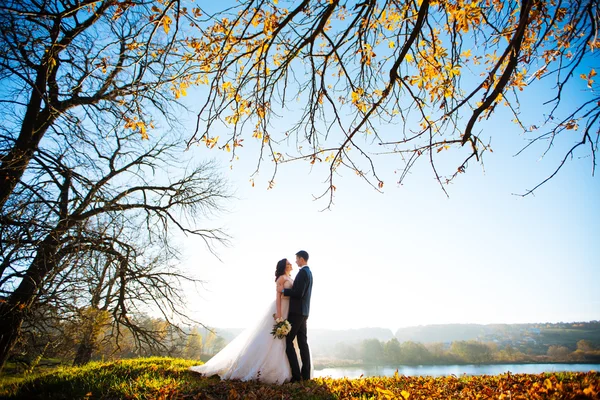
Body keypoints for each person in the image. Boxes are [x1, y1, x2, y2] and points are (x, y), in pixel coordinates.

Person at [189, 258, 303, 384]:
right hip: (282, 307)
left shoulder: (291, 278)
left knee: (285, 340)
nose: (291, 264)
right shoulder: (281, 278)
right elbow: (278, 297)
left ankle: (291, 371)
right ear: (283, 266)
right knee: (274, 339)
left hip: (290, 310)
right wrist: (280, 316)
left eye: (290, 263)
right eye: (288, 264)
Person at [282, 250, 313, 382]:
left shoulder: (302, 273)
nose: (295, 261)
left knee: (288, 342)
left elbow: (298, 293)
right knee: (302, 343)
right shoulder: (309, 273)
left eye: (296, 259)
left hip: (297, 312)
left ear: (301, 259)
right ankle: (305, 376)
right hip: (304, 312)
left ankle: (296, 376)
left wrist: (284, 291)